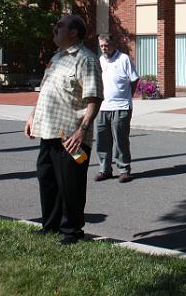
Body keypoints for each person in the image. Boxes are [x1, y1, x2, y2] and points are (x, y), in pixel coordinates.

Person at [24, 14, 103, 245]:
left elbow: (94, 98)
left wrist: (82, 131)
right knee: (47, 179)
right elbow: (46, 91)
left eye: (60, 26)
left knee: (71, 185)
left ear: (74, 33)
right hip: (48, 132)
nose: (55, 28)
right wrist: (31, 116)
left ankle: (72, 232)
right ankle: (50, 225)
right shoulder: (57, 57)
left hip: (71, 137)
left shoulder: (86, 60)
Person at [93, 33, 139, 183]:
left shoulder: (124, 59)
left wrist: (127, 97)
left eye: (106, 45)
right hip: (102, 107)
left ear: (113, 44)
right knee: (102, 141)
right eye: (101, 46)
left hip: (121, 107)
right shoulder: (100, 61)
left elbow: (134, 79)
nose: (104, 48)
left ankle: (124, 170)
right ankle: (105, 169)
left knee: (120, 140)